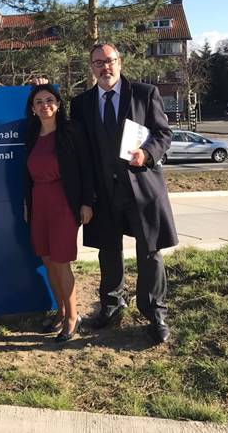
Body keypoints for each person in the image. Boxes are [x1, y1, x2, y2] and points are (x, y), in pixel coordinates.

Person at [70, 43, 178, 345]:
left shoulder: (144, 93)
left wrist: (147, 153)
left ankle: (155, 312)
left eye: (109, 61)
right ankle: (112, 303)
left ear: (120, 62)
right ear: (91, 66)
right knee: (108, 250)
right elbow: (81, 151)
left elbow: (163, 134)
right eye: (98, 62)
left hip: (141, 188)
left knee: (150, 251)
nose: (104, 67)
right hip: (103, 191)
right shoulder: (81, 104)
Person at [24, 84, 93, 342]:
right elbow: (26, 174)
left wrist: (87, 202)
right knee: (47, 260)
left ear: (59, 104)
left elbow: (86, 168)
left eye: (50, 100)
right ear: (32, 108)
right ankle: (61, 311)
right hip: (38, 200)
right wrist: (27, 204)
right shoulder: (32, 133)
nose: (45, 105)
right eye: (39, 101)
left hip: (64, 200)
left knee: (61, 260)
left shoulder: (71, 131)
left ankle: (74, 317)